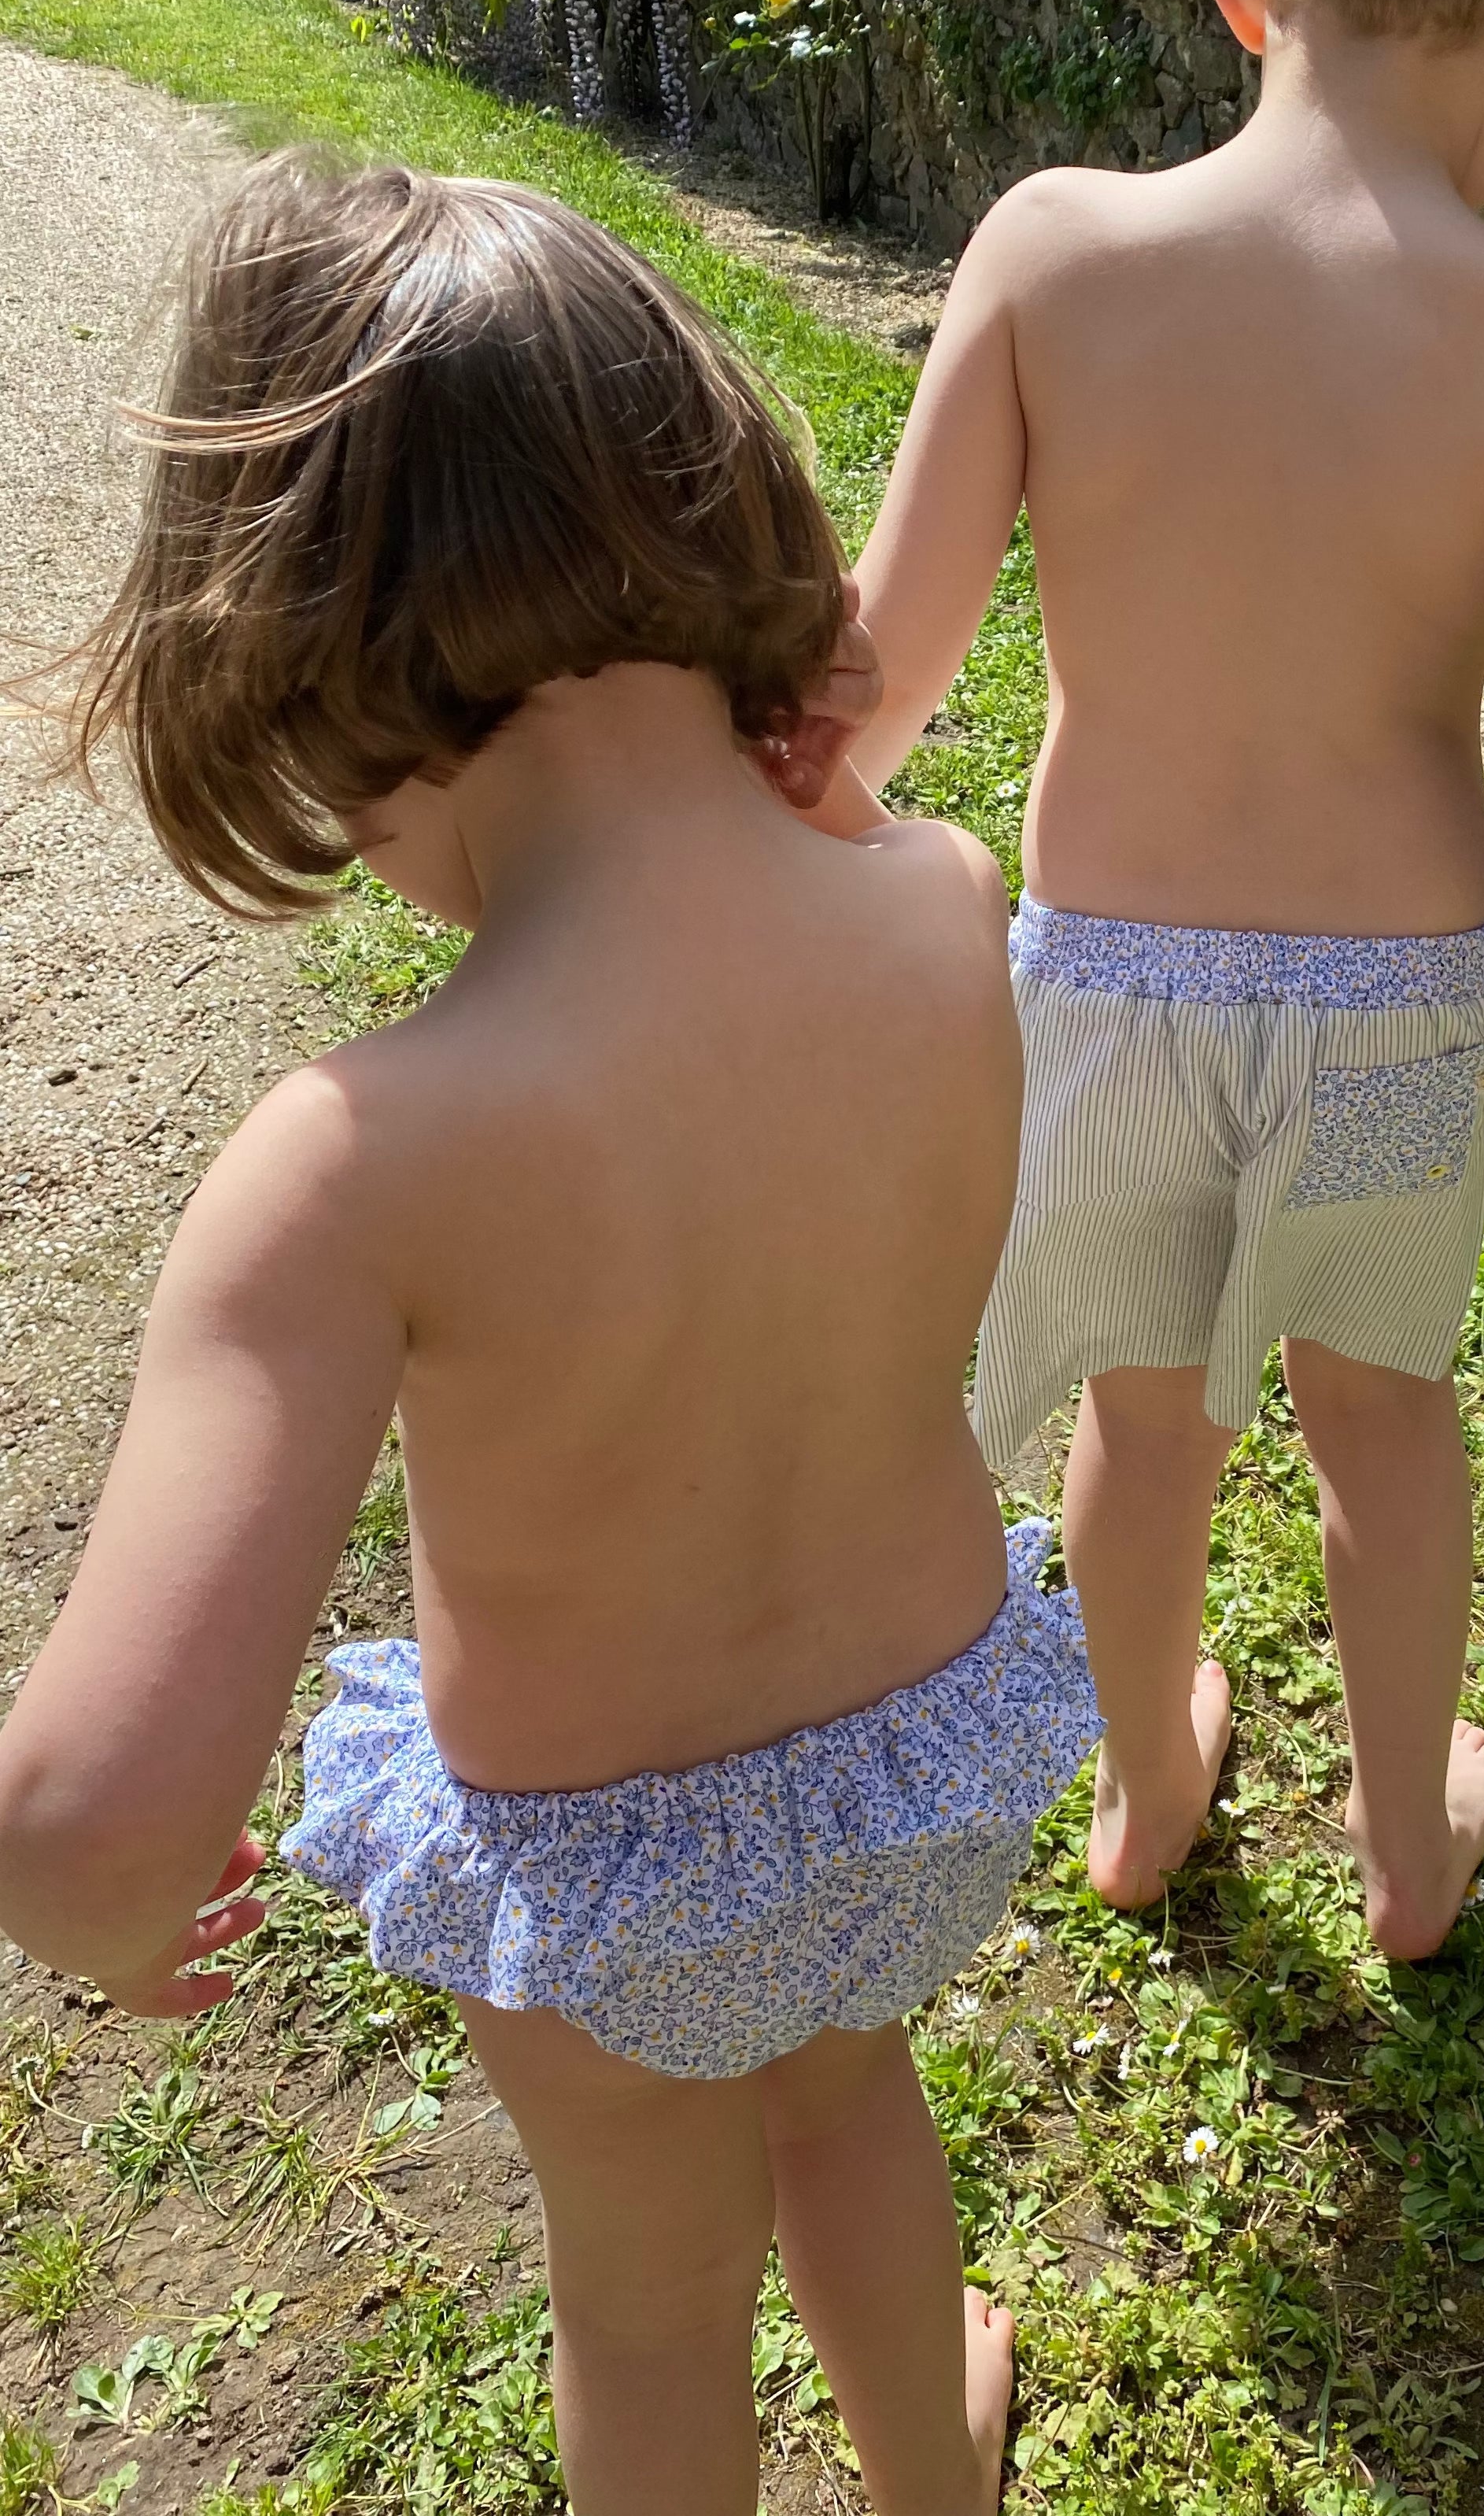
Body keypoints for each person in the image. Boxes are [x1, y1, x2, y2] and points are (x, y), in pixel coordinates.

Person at [0, 157, 1102, 2516]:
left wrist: (102, 1909)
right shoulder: (945, 900)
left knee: (651, 2315)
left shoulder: (360, 1160)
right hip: (922, 1767)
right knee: (855, 2105)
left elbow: (86, 1830)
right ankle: (942, 2468)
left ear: (297, 664)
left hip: (602, 1889)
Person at [835, 0, 1484, 1965]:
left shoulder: (1049, 251)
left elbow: (872, 683)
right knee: (1383, 1419)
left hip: (1099, 989)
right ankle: (1411, 1843)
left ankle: (1144, 1792)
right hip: (1400, 1010)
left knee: (1143, 1416)